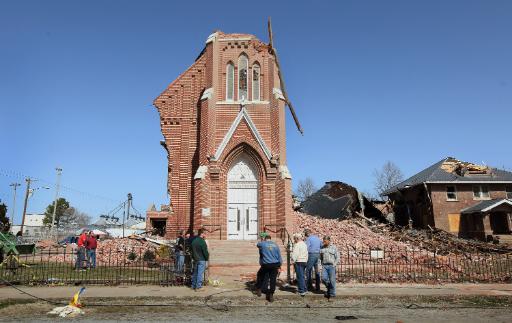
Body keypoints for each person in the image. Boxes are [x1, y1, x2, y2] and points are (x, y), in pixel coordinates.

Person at [256, 234, 282, 302]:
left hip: (266, 264)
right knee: (273, 279)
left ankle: (259, 289)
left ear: (265, 239)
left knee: (260, 275)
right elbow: (279, 256)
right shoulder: (276, 245)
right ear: (270, 239)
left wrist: (261, 240)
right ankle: (271, 294)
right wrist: (279, 266)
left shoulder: (263, 244)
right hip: (275, 264)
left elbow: (258, 245)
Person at [320, 235, 339, 300]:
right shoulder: (322, 248)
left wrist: (334, 264)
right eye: (323, 241)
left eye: (325, 241)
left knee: (332, 280)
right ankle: (330, 288)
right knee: (323, 278)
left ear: (329, 241)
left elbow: (337, 257)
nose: (324, 242)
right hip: (324, 265)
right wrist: (320, 264)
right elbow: (320, 257)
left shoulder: (334, 247)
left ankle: (332, 295)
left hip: (331, 266)